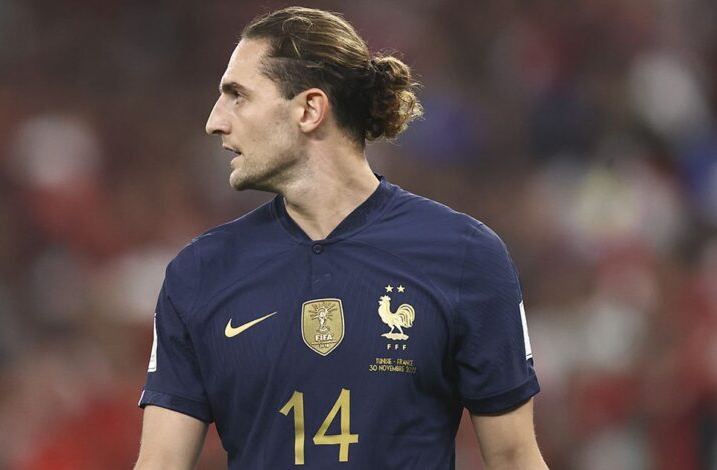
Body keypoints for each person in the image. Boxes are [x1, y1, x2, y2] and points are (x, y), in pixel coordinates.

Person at [135, 6, 547, 470]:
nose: (215, 121)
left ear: (310, 109)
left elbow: (513, 457)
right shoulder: (199, 273)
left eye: (237, 96)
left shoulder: (467, 256)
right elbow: (160, 463)